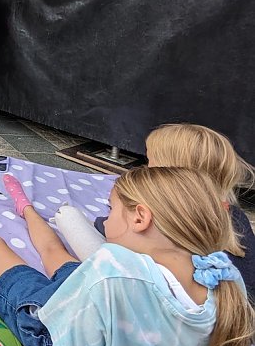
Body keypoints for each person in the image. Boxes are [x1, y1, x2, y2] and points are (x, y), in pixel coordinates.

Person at [0, 163, 253, 346]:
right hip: (97, 313)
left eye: (111, 209)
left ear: (140, 218)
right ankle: (25, 207)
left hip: (51, 327)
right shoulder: (224, 279)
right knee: (56, 253)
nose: (105, 222)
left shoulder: (109, 268)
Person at [59, 123, 255, 292]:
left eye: (150, 163)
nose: (144, 170)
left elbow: (112, 242)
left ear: (169, 176)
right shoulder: (235, 215)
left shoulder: (167, 219)